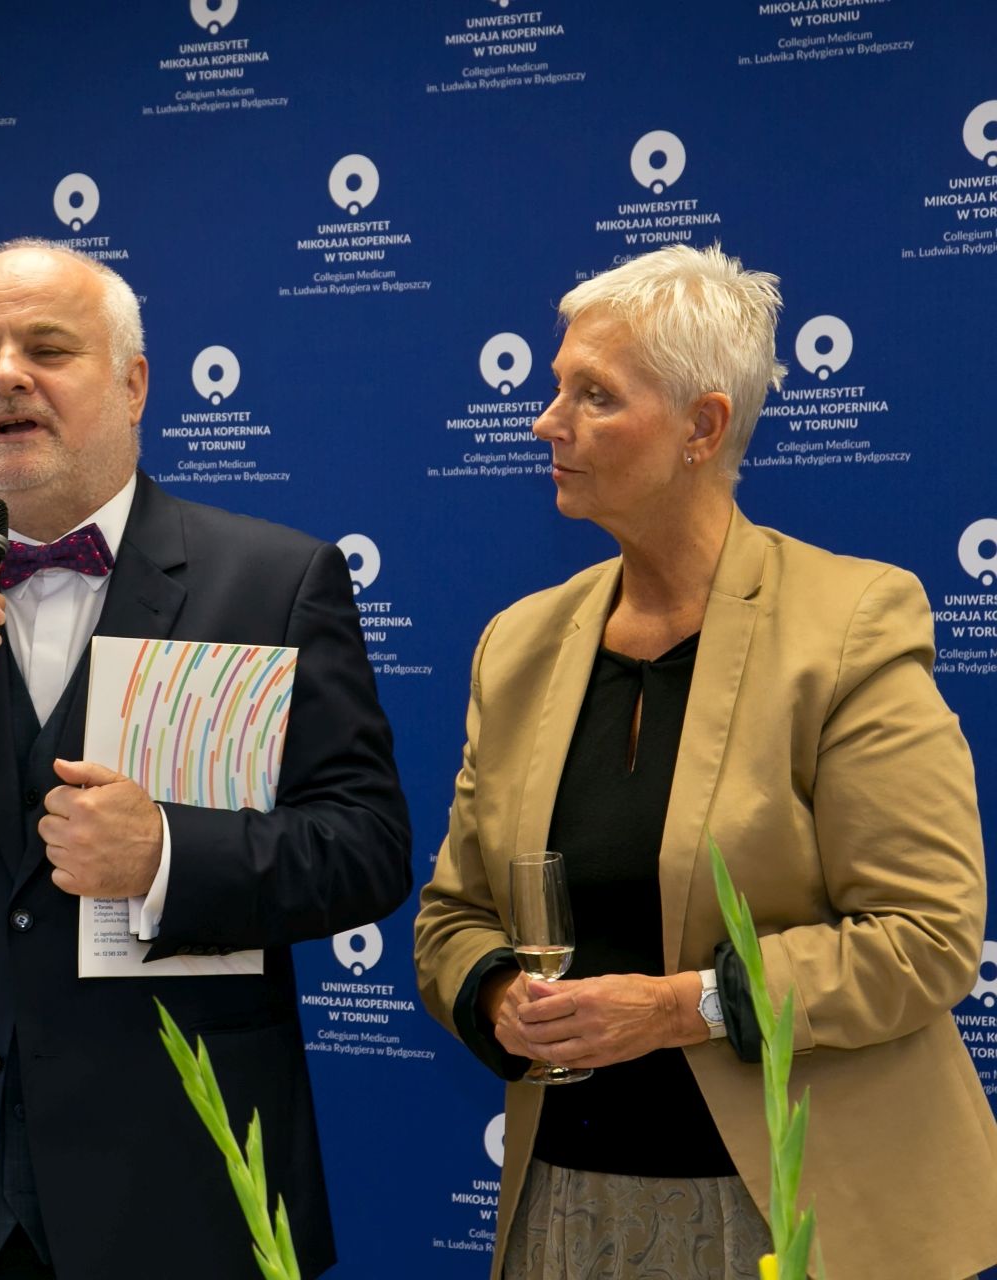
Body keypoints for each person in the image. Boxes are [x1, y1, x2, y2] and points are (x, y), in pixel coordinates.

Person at [0, 240, 411, 1279]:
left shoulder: (275, 582)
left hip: (179, 1188)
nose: (5, 376)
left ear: (134, 383)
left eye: (47, 349)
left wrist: (166, 856)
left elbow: (366, 848)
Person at [412, 244, 997, 1279]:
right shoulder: (519, 644)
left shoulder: (849, 625)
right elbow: (454, 917)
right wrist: (499, 994)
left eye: (595, 395)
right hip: (568, 1203)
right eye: (557, 387)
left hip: (796, 1210)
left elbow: (926, 935)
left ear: (703, 426)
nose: (547, 422)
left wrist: (679, 1007)